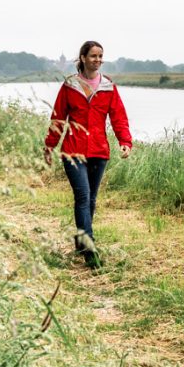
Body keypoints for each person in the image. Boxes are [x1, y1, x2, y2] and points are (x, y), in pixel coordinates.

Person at [44, 40, 132, 266]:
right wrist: (49, 146)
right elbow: (58, 119)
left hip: (99, 151)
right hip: (73, 151)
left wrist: (125, 141)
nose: (98, 60)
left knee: (91, 200)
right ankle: (90, 249)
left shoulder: (108, 87)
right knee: (82, 196)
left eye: (101, 56)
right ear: (83, 58)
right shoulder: (69, 86)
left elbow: (119, 117)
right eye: (93, 56)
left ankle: (81, 240)